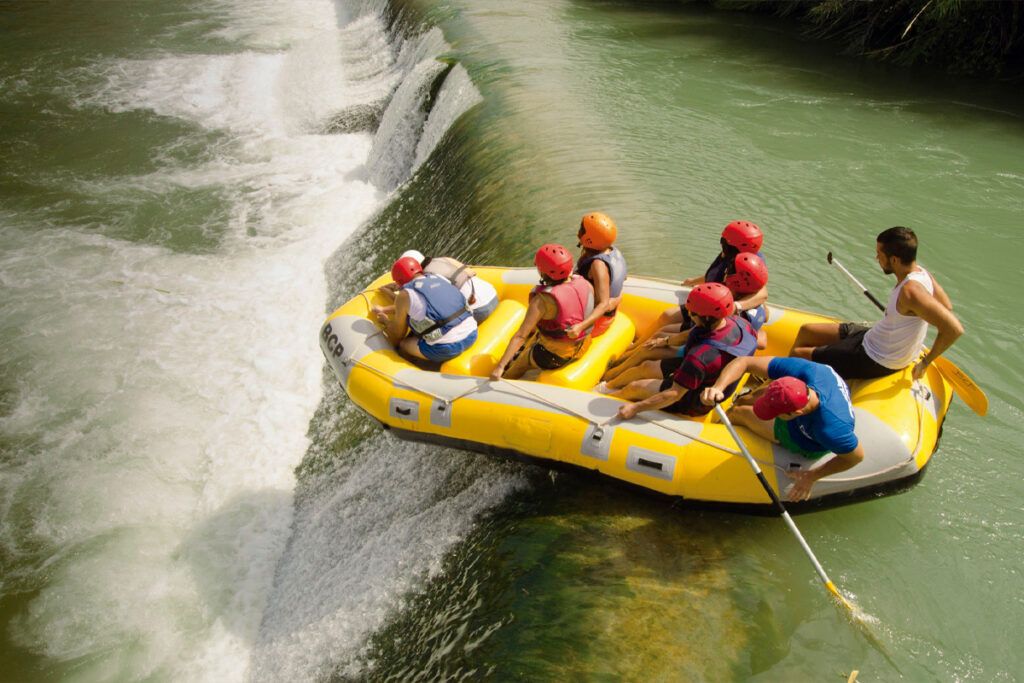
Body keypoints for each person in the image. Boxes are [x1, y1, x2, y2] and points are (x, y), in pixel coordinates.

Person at [791, 226, 963, 381]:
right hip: (877, 337)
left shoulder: (910, 291)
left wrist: (926, 362)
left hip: (877, 357)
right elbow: (946, 306)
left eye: (880, 255)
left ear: (894, 260)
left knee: (799, 354)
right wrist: (912, 316)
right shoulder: (923, 274)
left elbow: (954, 329)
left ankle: (783, 393)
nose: (876, 258)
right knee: (806, 330)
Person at [700, 356, 865, 502]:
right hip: (802, 409)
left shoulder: (829, 430)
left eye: (775, 413)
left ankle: (712, 435)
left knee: (737, 412)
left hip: (802, 437)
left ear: (795, 413)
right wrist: (718, 387)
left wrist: (812, 477)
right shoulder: (809, 372)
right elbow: (744, 361)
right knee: (745, 400)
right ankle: (748, 402)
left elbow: (855, 457)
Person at [603, 251, 768, 383]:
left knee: (648, 354)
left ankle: (610, 377)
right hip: (708, 350)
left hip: (701, 357)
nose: (726, 271)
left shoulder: (731, 315)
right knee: (661, 335)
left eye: (730, 270)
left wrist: (666, 342)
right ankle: (624, 360)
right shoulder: (755, 308)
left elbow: (696, 337)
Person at [607, 283, 759, 421]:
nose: (689, 314)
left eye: (692, 313)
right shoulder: (739, 323)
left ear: (706, 318)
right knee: (646, 366)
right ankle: (608, 384)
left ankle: (608, 399)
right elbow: (689, 335)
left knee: (634, 387)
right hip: (705, 374)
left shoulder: (700, 356)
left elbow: (674, 394)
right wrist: (664, 342)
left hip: (693, 397)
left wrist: (635, 408)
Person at [626, 220, 768, 350]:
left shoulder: (749, 264)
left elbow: (762, 293)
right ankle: (636, 346)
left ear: (736, 247)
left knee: (667, 326)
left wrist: (736, 307)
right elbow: (716, 275)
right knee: (667, 316)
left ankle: (638, 348)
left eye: (725, 242)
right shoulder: (730, 253)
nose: (722, 244)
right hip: (710, 298)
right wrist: (694, 281)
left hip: (715, 309)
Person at [490, 244, 594, 381]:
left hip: (556, 357)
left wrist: (500, 366)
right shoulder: (584, 283)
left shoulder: (542, 301)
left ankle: (506, 378)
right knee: (539, 335)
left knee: (521, 362)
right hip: (584, 344)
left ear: (543, 272)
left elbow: (521, 336)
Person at [374, 256, 477, 363]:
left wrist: (385, 321)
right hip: (472, 333)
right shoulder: (437, 277)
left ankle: (416, 369)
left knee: (403, 345)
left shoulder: (404, 295)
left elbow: (397, 334)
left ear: (398, 281)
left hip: (446, 348)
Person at [382, 249, 499, 324]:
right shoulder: (445, 259)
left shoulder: (428, 279)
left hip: (479, 310)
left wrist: (388, 293)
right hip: (493, 295)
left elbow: (413, 305)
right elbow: (470, 273)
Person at [566, 212, 628, 339]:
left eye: (581, 230)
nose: (578, 232)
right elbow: (623, 278)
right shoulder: (612, 251)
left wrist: (581, 327)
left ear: (589, 239)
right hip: (606, 315)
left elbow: (604, 304)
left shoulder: (598, 265)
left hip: (598, 323)